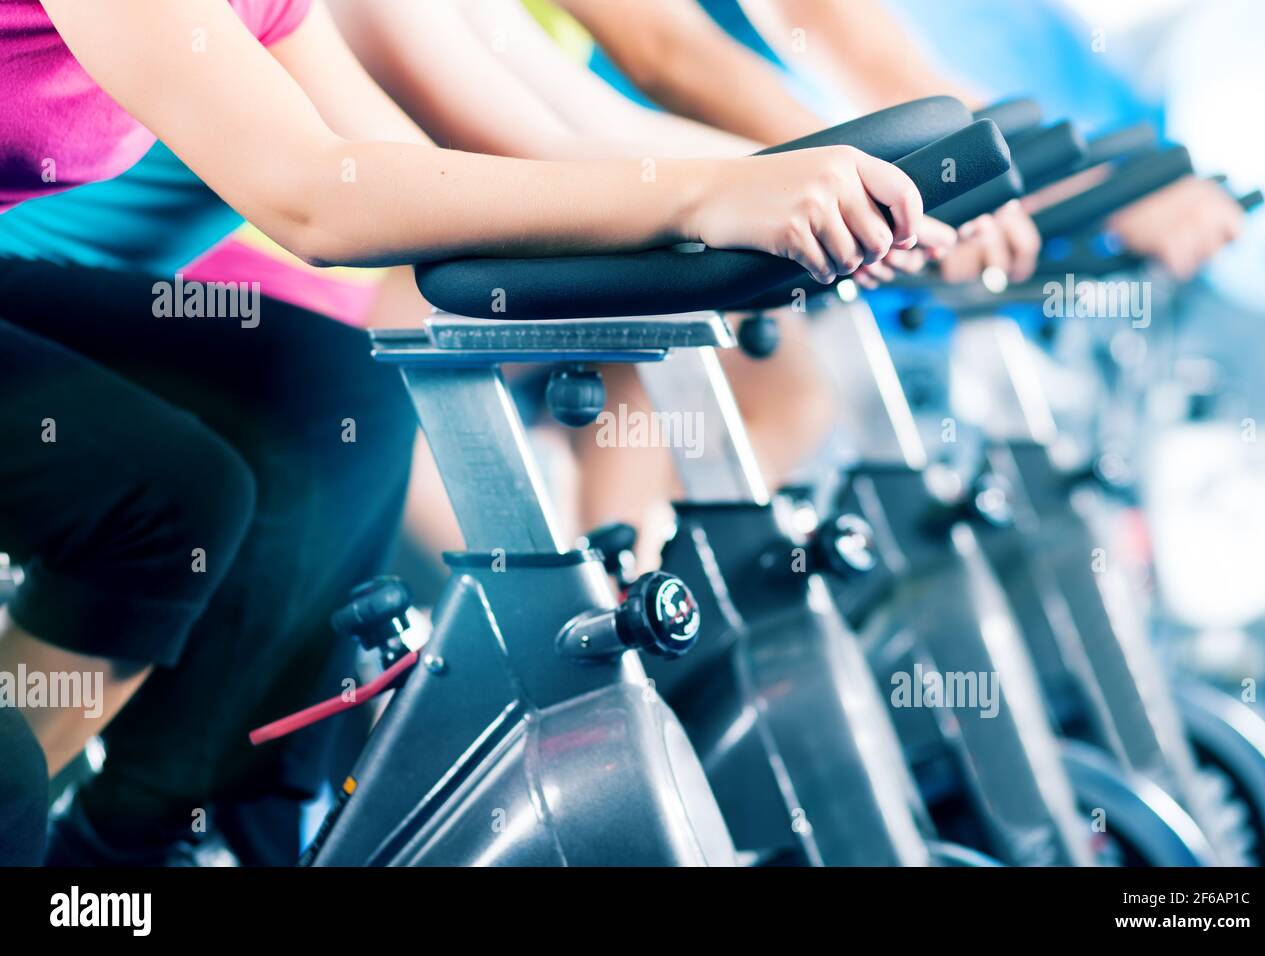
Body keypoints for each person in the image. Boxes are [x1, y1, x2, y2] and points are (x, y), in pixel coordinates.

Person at [0, 0, 927, 863]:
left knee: (322, 396)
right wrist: (704, 197)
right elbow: (317, 196)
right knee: (177, 494)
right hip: (73, 280)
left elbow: (408, 158)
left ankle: (147, 844)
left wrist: (787, 193)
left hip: (55, 295)